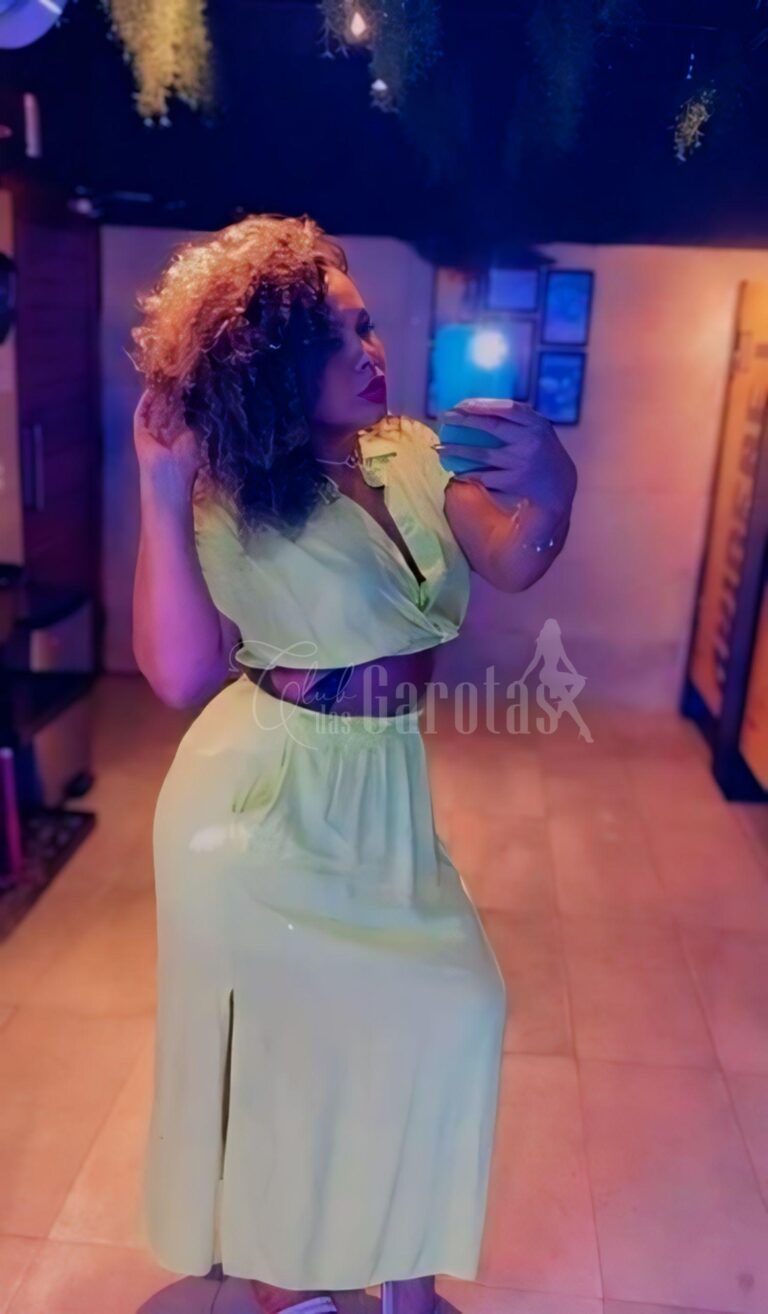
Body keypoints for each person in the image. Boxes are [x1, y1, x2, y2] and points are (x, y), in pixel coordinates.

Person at [131, 213, 577, 1314]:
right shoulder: (230, 491)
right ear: (268, 365)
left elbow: (514, 559)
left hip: (380, 791)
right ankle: (286, 1280)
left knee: (450, 1013)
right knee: (291, 1062)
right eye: (330, 340)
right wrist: (155, 489)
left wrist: (554, 486)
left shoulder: (413, 452)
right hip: (262, 803)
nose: (365, 352)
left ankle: (404, 1286)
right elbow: (179, 673)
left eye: (365, 326)